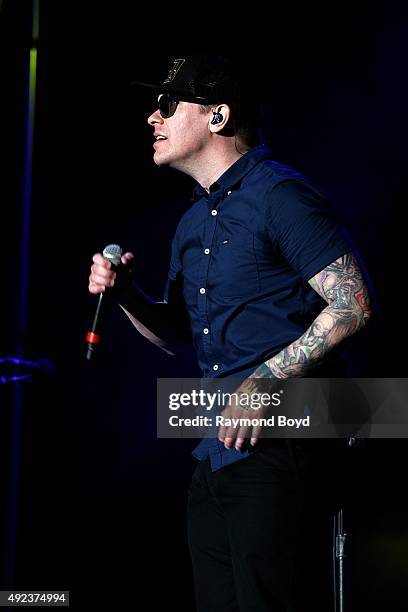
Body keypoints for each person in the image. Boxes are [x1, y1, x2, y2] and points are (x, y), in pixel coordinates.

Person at [88, 55, 372, 611]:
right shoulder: (193, 221)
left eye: (168, 105)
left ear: (217, 115)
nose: (153, 117)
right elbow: (179, 336)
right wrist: (125, 296)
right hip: (215, 451)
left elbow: (354, 303)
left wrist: (264, 381)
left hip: (283, 443)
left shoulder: (280, 194)